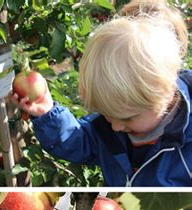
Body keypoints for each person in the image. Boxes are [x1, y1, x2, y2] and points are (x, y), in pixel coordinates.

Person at [12, 0, 191, 186]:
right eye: (107, 115)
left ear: (166, 93)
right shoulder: (110, 127)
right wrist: (48, 114)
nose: (115, 127)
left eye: (127, 118)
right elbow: (78, 142)